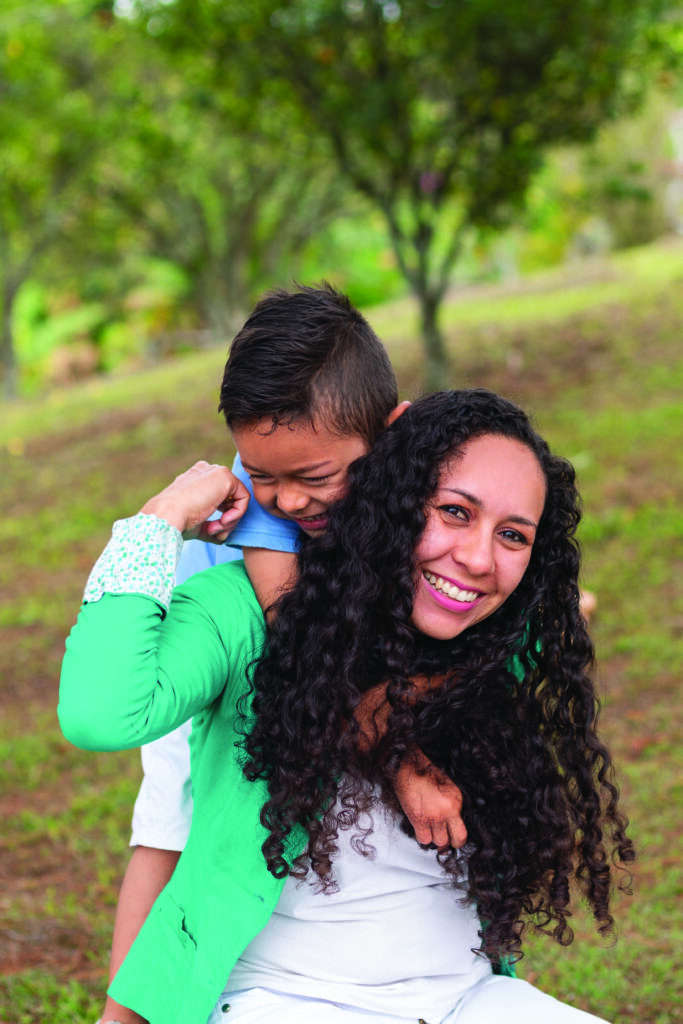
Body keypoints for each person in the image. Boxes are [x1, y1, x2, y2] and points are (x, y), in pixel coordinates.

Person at [59, 388, 633, 1024]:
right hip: (281, 1000)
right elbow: (101, 713)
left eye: (512, 535)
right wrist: (161, 517)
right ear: (392, 494)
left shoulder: (495, 636)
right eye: (452, 512)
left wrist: (393, 733)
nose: (477, 559)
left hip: (465, 998)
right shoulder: (240, 613)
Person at [99, 284, 461, 1024]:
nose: (288, 500)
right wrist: (403, 763)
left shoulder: (413, 469)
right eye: (263, 477)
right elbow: (294, 638)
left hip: (324, 643)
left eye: (313, 479)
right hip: (231, 648)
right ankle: (126, 1013)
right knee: (173, 820)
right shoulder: (273, 503)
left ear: (386, 435)